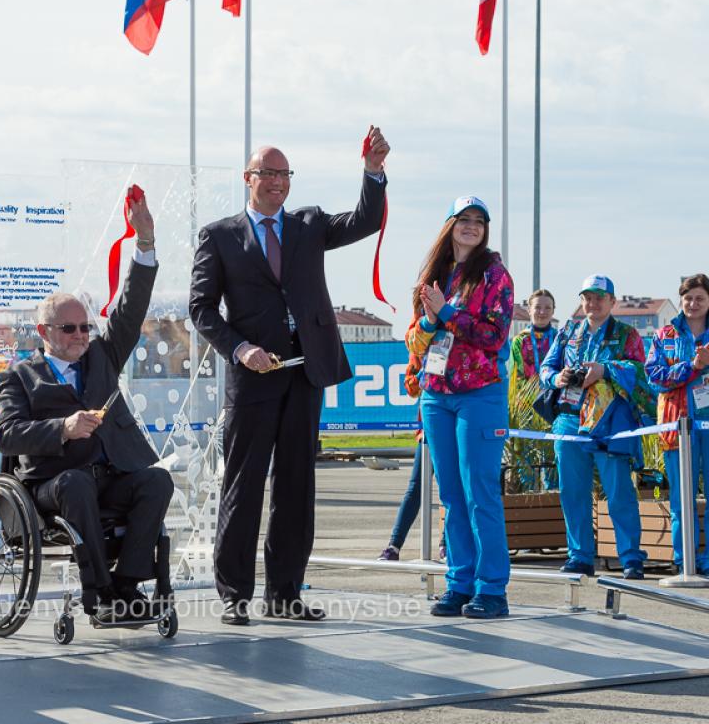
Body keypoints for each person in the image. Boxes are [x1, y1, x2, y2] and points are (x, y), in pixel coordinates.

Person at [189, 128, 390, 625]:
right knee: (244, 486)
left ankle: (285, 593)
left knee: (296, 489)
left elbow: (366, 220)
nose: (278, 183)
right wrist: (240, 349)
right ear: (248, 178)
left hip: (305, 372)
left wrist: (372, 172)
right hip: (254, 377)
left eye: (284, 174)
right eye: (268, 173)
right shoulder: (219, 236)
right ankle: (235, 595)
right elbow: (202, 309)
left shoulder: (309, 224)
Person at [0, 194, 174, 621]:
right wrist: (62, 427)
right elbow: (6, 434)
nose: (80, 335)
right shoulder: (19, 376)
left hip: (110, 475)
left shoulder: (102, 356)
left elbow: (130, 309)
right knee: (75, 482)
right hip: (53, 484)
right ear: (44, 331)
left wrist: (144, 242)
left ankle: (128, 585)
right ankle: (98, 592)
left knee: (156, 481)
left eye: (84, 327)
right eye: (69, 328)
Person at [405, 195, 514, 619]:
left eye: (479, 221)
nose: (471, 226)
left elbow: (494, 336)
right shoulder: (435, 273)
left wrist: (448, 313)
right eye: (463, 219)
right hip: (436, 393)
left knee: (479, 493)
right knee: (450, 495)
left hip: (479, 394)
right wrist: (432, 320)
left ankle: (492, 589)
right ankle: (459, 581)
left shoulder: (494, 274)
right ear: (449, 225)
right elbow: (416, 335)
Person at [540, 275, 653, 580]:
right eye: (587, 297)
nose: (593, 303)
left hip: (610, 421)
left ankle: (630, 557)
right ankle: (579, 556)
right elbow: (546, 368)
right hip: (569, 418)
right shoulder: (567, 332)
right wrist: (558, 378)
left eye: (600, 297)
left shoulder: (627, 334)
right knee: (573, 492)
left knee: (618, 492)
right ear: (581, 301)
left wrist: (605, 370)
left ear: (612, 302)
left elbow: (642, 373)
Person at [645, 273, 709, 576]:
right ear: (681, 300)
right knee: (679, 499)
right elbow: (654, 377)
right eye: (688, 298)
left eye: (700, 298)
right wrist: (691, 367)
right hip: (675, 426)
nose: (693, 304)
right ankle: (685, 560)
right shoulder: (665, 334)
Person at [377, 354, 446, 562]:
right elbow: (412, 389)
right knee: (416, 488)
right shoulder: (421, 349)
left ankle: (447, 544)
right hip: (428, 431)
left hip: (454, 427)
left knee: (450, 488)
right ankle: (394, 545)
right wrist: (422, 375)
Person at [506, 289, 559, 491]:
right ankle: (530, 502)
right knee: (526, 461)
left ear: (553, 311)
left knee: (553, 460)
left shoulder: (560, 339)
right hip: (526, 410)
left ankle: (552, 501)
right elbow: (515, 377)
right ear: (529, 310)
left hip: (553, 407)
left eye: (547, 307)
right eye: (538, 307)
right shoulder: (520, 341)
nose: (542, 312)